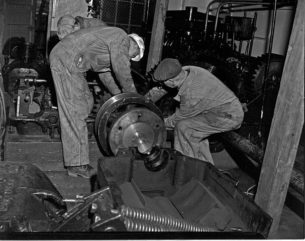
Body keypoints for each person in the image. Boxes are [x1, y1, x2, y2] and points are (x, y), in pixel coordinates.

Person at [49, 17, 145, 178]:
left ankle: (77, 150)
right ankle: (77, 164)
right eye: (133, 56)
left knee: (87, 101)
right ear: (135, 45)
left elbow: (106, 77)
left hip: (71, 63)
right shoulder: (120, 37)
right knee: (76, 110)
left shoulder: (107, 47)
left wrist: (121, 97)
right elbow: (121, 68)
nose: (130, 59)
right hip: (67, 60)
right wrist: (133, 96)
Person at [149, 58, 244, 165]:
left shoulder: (191, 93)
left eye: (163, 83)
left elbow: (178, 119)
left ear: (171, 81)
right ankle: (205, 168)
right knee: (194, 132)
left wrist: (159, 123)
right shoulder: (189, 70)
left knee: (184, 128)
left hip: (228, 115)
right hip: (217, 109)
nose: (162, 85)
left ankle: (187, 167)